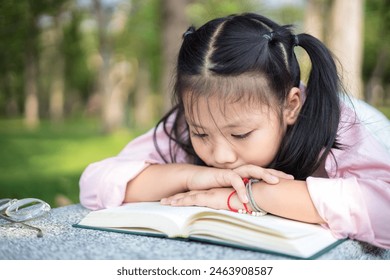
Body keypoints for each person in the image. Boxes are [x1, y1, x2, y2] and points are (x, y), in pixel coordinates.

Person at [79, 13, 390, 249]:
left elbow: (384, 210)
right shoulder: (192, 121)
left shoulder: (338, 126)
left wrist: (248, 196)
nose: (220, 156)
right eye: (200, 134)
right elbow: (95, 183)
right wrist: (192, 176)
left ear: (290, 106)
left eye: (240, 135)